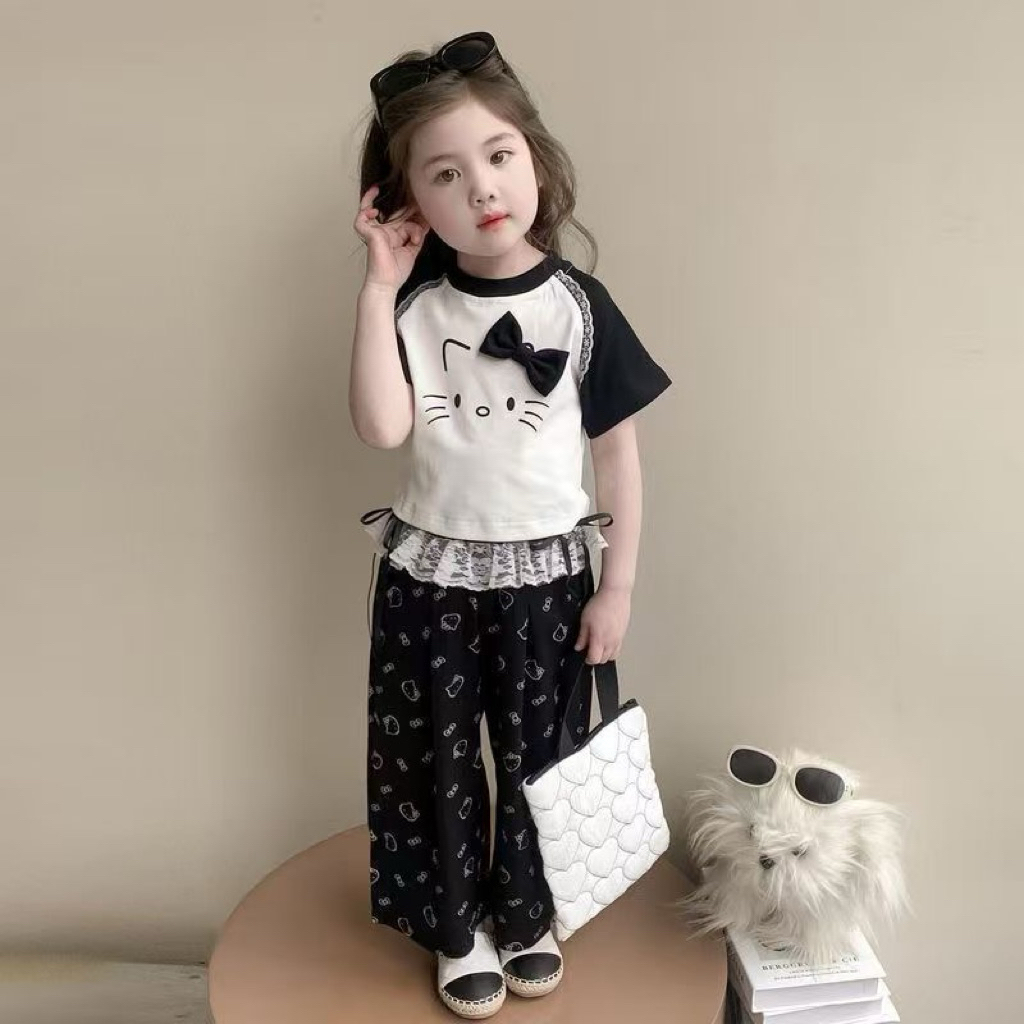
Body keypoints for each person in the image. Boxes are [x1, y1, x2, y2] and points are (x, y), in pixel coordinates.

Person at [350, 30, 671, 1019]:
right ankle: (458, 928)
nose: (481, 187)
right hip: (430, 579)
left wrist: (617, 588)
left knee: (541, 755)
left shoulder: (579, 305)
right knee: (434, 760)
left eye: (498, 156)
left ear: (535, 157)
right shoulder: (414, 304)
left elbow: (618, 458)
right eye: (444, 174)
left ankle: (528, 915)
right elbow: (382, 427)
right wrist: (377, 283)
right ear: (409, 198)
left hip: (550, 581)